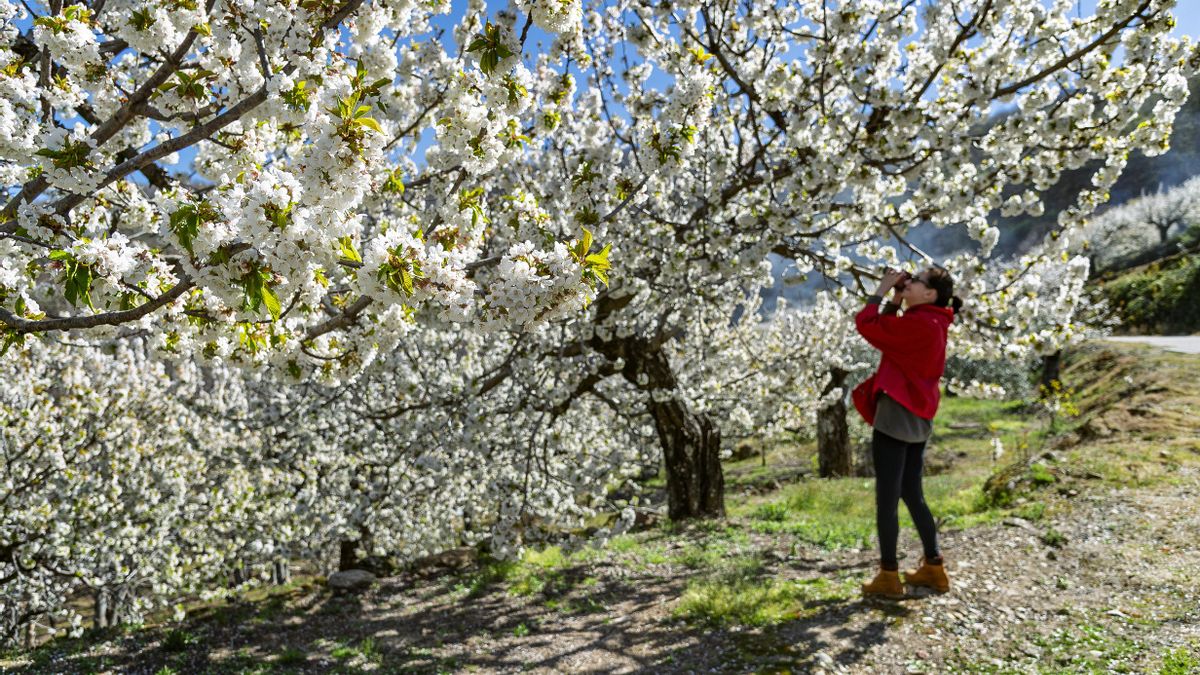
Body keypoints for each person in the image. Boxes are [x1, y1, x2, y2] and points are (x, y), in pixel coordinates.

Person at [852, 266, 963, 599]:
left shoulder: (919, 324)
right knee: (911, 493)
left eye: (916, 282)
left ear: (930, 294)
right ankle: (934, 567)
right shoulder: (934, 321)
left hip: (896, 416)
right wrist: (897, 299)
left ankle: (888, 577)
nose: (909, 282)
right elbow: (889, 333)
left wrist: (882, 290)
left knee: (886, 499)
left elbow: (869, 326)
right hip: (917, 416)